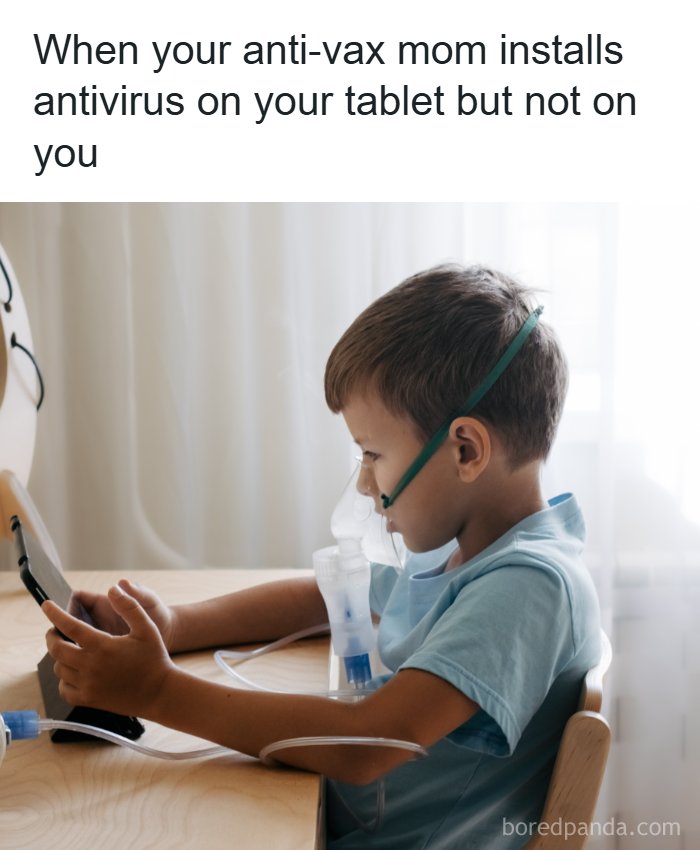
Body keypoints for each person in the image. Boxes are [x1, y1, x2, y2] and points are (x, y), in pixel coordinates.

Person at [44, 264, 601, 849]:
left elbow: (369, 744)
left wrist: (158, 693)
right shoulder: (477, 553)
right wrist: (178, 625)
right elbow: (328, 592)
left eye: (372, 453)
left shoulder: (529, 586)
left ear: (465, 449)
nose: (365, 484)